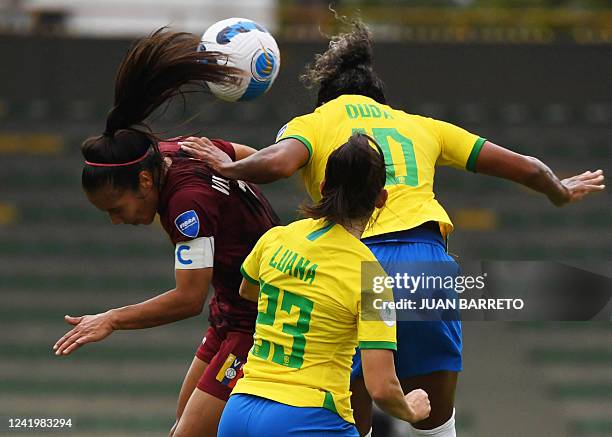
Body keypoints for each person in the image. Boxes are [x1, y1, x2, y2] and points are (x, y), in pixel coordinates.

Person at [179, 20, 605, 437]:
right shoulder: (419, 124)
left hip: (349, 266)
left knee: (350, 422)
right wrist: (559, 190)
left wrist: (229, 166)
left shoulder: (316, 122)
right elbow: (526, 167)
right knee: (436, 422)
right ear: (381, 99)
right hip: (425, 266)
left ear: (326, 98)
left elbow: (277, 163)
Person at [51, 29, 280, 437]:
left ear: (143, 181)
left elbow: (188, 299)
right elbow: (256, 160)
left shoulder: (185, 206)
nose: (116, 221)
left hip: (259, 322)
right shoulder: (179, 150)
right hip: (230, 314)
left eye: (117, 209)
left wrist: (112, 320)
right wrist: (230, 172)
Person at [217, 133, 431, 437]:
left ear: (322, 188)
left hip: (238, 411)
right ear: (381, 199)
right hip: (307, 417)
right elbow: (381, 387)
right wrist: (411, 409)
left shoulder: (276, 238)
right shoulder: (370, 276)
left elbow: (248, 290)